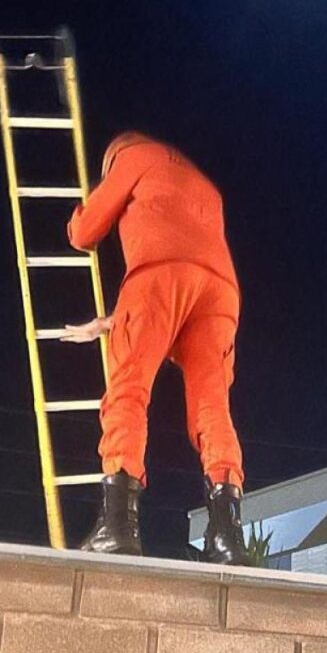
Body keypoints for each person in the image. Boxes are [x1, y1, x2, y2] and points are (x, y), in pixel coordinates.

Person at [62, 131, 249, 565]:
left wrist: (78, 213)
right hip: (221, 293)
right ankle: (226, 537)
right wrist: (112, 322)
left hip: (158, 276)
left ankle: (118, 527)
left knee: (128, 391)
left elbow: (86, 232)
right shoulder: (207, 189)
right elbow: (185, 275)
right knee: (212, 407)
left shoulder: (133, 157)